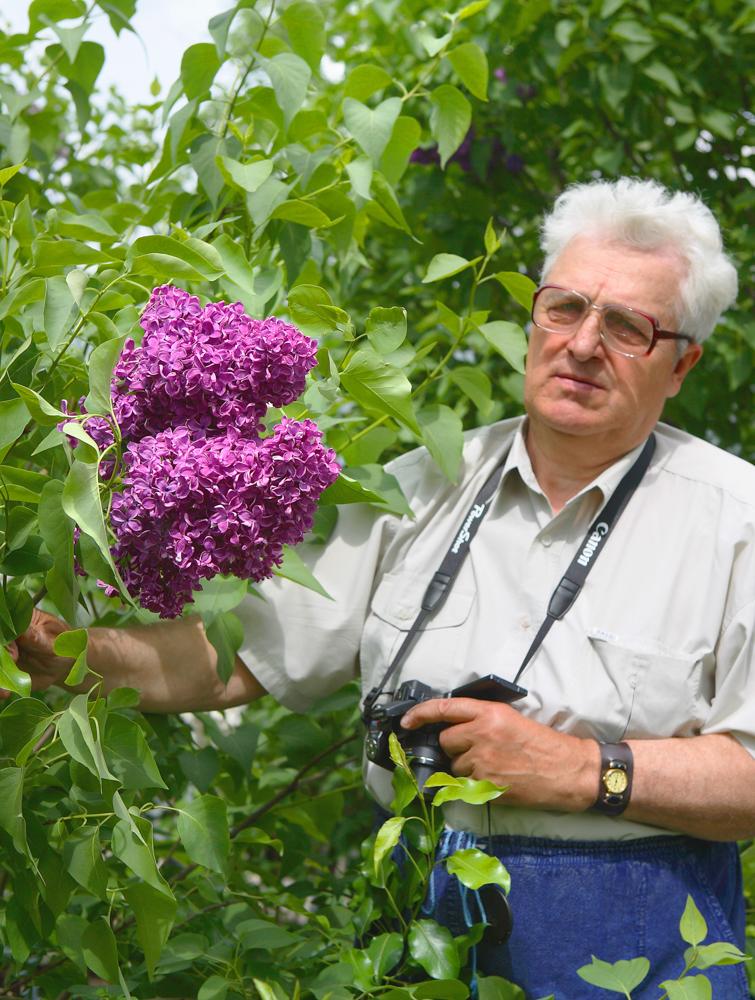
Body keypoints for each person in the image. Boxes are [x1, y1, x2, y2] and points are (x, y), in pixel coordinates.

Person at [14, 178, 755, 998]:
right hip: (412, 918)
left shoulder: (734, 522)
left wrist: (585, 770)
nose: (581, 344)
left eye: (626, 327)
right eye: (563, 306)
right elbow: (232, 662)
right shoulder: (425, 484)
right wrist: (65, 653)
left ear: (681, 361)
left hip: (642, 944)